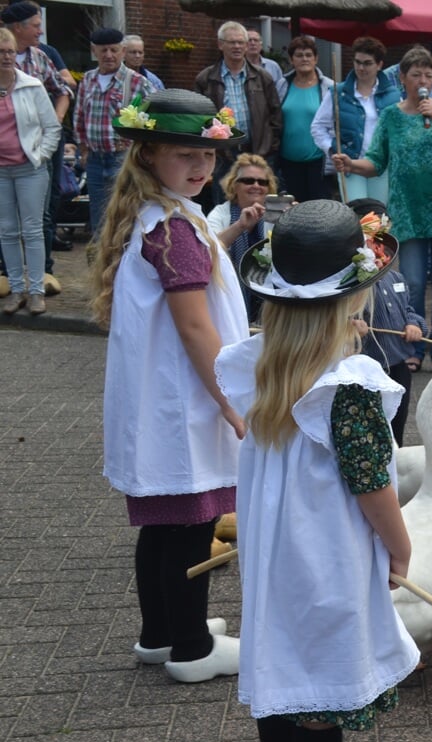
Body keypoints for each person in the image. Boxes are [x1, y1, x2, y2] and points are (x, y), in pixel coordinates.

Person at [220, 200, 418, 742]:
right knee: (317, 685)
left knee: (280, 664)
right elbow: (370, 481)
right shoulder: (346, 386)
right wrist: (399, 544)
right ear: (346, 304)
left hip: (274, 552)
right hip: (321, 552)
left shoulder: (263, 364)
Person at [89, 88, 250, 684]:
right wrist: (231, 400)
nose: (202, 166)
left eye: (208, 154)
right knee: (191, 525)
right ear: (150, 154)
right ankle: (190, 649)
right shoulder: (175, 230)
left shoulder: (162, 216)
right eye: (186, 154)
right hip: (186, 403)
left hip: (167, 400)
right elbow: (193, 325)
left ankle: (159, 634)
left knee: (162, 525)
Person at [332, 46, 432, 373]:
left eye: (429, 74)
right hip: (408, 211)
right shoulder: (391, 117)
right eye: (416, 74)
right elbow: (376, 162)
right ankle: (413, 346)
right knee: (409, 282)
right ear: (402, 78)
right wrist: (351, 163)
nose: (423, 80)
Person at [345, 198, 427, 444]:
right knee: (371, 428)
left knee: (397, 424)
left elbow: (409, 310)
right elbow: (335, 316)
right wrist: (347, 325)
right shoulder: (351, 282)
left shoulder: (396, 277)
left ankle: (396, 468)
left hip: (398, 364)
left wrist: (414, 325)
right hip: (367, 366)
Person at [4, 1, 70, 284]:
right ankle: (9, 274)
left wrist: (53, 122)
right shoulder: (4, 61)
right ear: (18, 28)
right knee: (6, 221)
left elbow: (63, 89)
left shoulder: (41, 57)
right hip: (7, 156)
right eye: (35, 25)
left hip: (40, 148)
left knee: (43, 210)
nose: (40, 31)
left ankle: (43, 272)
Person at [0, 25, 60, 316]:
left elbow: (52, 127)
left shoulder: (32, 86)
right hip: (0, 173)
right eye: (0, 52)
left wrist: (40, 155)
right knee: (8, 231)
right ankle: (15, 289)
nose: (6, 57)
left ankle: (36, 291)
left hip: (29, 170)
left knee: (33, 231)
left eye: (10, 51)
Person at [74, 27, 155, 235]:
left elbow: (154, 120)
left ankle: (125, 264)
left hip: (123, 158)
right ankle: (101, 264)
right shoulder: (88, 80)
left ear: (122, 51)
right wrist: (83, 149)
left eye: (113, 50)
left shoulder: (138, 82)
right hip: (94, 159)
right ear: (94, 51)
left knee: (127, 215)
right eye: (103, 50)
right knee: (99, 219)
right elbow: (80, 117)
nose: (108, 55)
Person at [195, 21, 281, 209]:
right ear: (220, 45)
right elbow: (200, 120)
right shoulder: (206, 79)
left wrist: (270, 146)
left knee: (262, 203)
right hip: (223, 154)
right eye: (231, 42)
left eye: (241, 42)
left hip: (258, 151)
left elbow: (275, 115)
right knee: (225, 204)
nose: (237, 47)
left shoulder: (262, 77)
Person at [311, 37, 398, 206]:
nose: (361, 68)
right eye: (357, 62)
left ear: (379, 65)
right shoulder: (338, 92)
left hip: (381, 165)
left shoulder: (393, 95)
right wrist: (332, 149)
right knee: (357, 215)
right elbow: (318, 126)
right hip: (350, 164)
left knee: (379, 216)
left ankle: (378, 234)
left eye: (367, 63)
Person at [206, 153, 278, 322]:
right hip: (229, 298)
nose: (256, 185)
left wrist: (295, 221)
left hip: (270, 301)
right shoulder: (220, 213)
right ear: (234, 185)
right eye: (248, 181)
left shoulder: (275, 215)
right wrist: (240, 226)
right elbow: (208, 250)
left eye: (262, 182)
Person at [273, 36, 332, 203]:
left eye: (308, 55)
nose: (304, 59)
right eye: (299, 55)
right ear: (292, 59)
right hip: (288, 162)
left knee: (319, 209)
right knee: (293, 210)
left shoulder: (329, 87)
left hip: (318, 162)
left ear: (316, 58)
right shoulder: (282, 85)